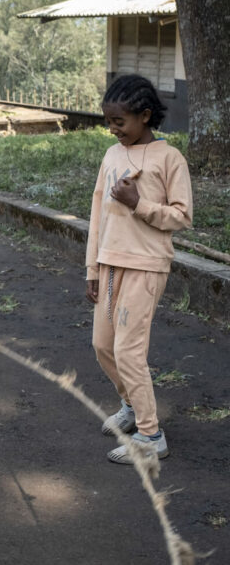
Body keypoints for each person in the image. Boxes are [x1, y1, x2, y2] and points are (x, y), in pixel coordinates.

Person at [86, 74, 192, 464]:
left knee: (129, 352)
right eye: (109, 121)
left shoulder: (170, 158)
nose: (113, 129)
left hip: (146, 266)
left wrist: (138, 203)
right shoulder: (112, 156)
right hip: (110, 264)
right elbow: (97, 214)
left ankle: (151, 436)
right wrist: (91, 269)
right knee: (102, 345)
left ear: (145, 115)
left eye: (120, 122)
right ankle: (131, 405)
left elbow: (182, 217)